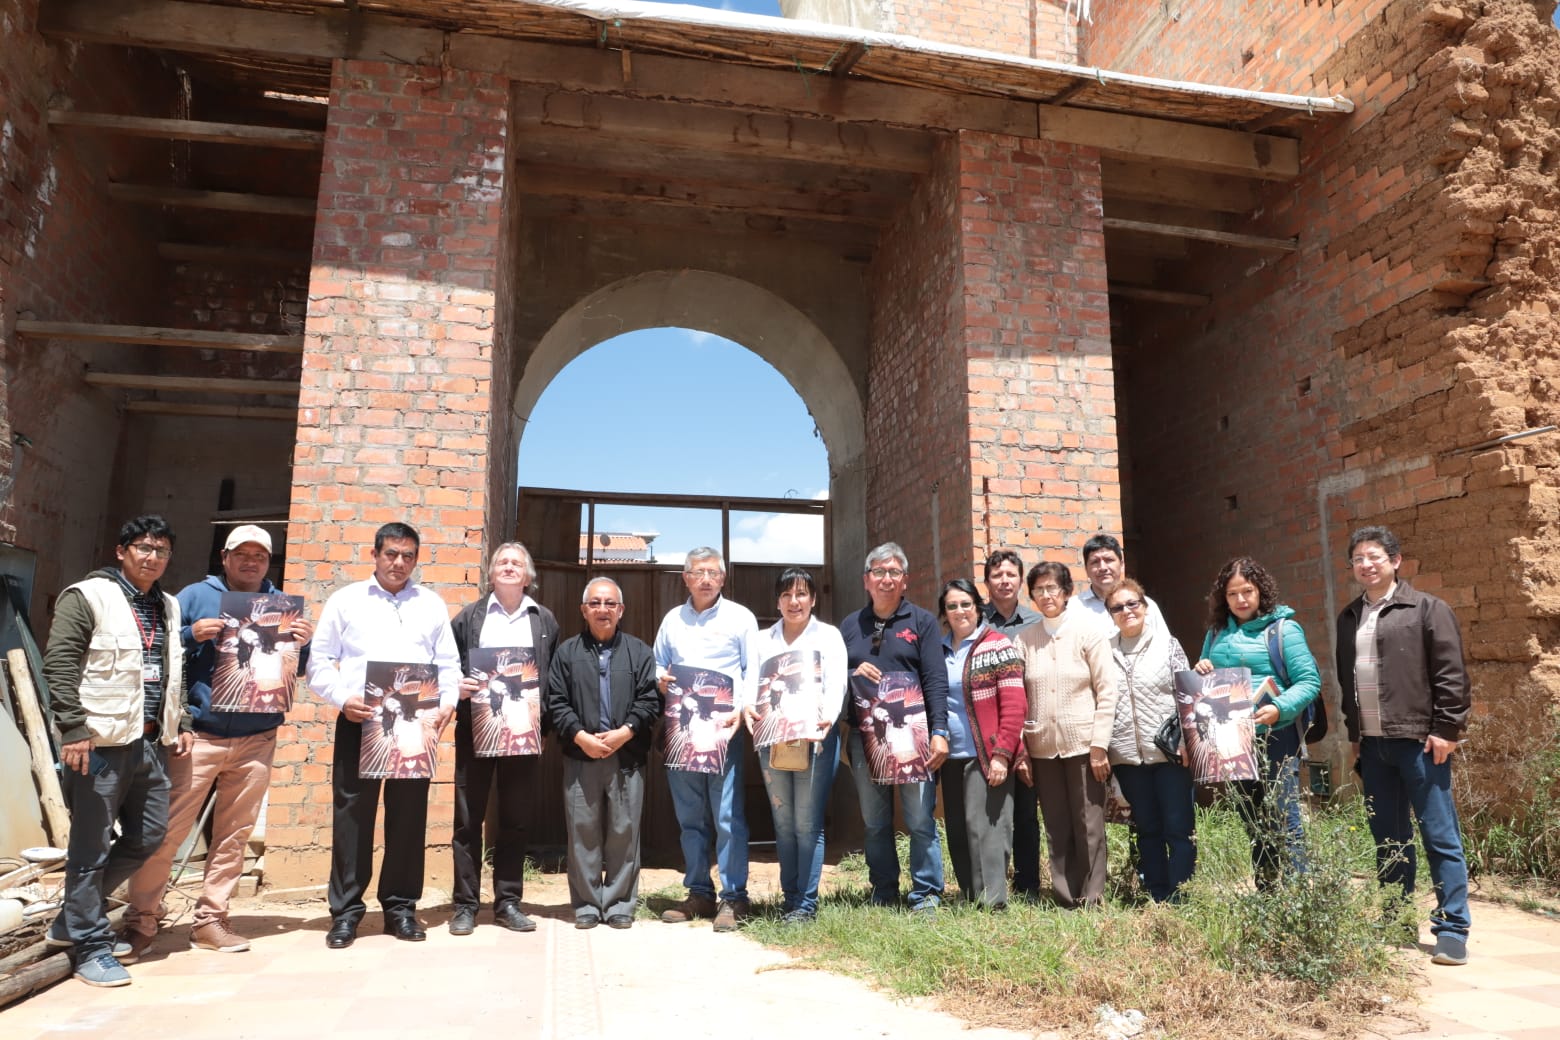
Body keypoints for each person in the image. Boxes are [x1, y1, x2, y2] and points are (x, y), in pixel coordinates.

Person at [123, 524, 312, 958]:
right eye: (241, 554)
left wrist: (302, 645)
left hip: (257, 736)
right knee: (167, 831)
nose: (251, 562)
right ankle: (141, 919)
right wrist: (191, 635)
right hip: (199, 736)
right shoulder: (194, 597)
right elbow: (153, 649)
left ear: (269, 562)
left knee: (234, 834)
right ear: (224, 557)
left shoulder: (282, 606)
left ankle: (211, 919)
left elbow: (295, 670)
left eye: (259, 556)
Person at [42, 515, 193, 987]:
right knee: (89, 848)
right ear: (121, 551)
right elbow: (59, 663)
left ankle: (72, 917)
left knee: (149, 835)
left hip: (148, 742)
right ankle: (90, 947)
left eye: (162, 550)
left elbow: (173, 668)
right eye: (144, 548)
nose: (153, 557)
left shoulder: (167, 604)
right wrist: (73, 729)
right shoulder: (88, 597)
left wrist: (183, 719)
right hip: (99, 744)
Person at [306, 522, 460, 949]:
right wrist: (342, 698)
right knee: (352, 816)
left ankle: (400, 908)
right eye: (391, 554)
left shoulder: (430, 604)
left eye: (408, 556)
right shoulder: (347, 601)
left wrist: (447, 702)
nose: (399, 563)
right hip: (360, 721)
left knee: (408, 815)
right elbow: (319, 661)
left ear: (416, 560)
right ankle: (346, 913)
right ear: (374, 555)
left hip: (415, 725)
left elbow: (449, 663)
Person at [1336, 526, 1472, 966]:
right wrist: (1356, 736)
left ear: (1395, 561)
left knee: (1439, 835)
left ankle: (1452, 929)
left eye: (1374, 556)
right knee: (1388, 837)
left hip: (1419, 742)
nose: (1366, 564)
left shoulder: (1427, 609)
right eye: (1358, 558)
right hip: (1374, 746)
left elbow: (1451, 674)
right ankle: (1395, 921)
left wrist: (1446, 729)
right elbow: (1348, 684)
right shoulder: (1349, 616)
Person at [447, 542, 559, 936]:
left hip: (522, 735)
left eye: (516, 563)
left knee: (515, 820)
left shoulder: (543, 620)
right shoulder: (469, 617)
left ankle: (508, 902)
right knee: (467, 820)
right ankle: (465, 905)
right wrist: (456, 687)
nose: (509, 567)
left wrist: (542, 726)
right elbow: (447, 665)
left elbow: (548, 677)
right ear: (491, 573)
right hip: (475, 731)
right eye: (502, 562)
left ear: (527, 576)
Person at [1193, 556, 1320, 891]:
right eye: (1232, 594)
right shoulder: (1216, 633)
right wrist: (1202, 668)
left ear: (1260, 590)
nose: (1241, 599)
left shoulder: (1284, 629)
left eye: (1247, 591)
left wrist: (1279, 708)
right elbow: (1207, 680)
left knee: (1285, 814)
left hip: (1277, 734)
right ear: (1224, 598)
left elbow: (1309, 681)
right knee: (1252, 817)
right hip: (1233, 737)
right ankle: (1267, 891)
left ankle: (1297, 893)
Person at [545, 577, 661, 929]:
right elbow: (556, 701)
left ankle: (620, 904)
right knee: (582, 831)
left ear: (621, 610)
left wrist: (625, 733)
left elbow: (649, 700)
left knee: (624, 831)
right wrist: (581, 737)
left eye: (610, 603)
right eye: (595, 603)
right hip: (581, 755)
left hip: (626, 755)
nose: (602, 609)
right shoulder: (567, 653)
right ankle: (586, 905)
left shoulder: (639, 652)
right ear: (584, 610)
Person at [841, 542, 949, 913]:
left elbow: (935, 679)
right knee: (875, 821)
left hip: (913, 737)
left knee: (919, 818)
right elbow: (834, 677)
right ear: (866, 580)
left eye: (894, 572)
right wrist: (852, 672)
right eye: (879, 572)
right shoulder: (850, 626)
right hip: (865, 737)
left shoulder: (922, 622)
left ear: (905, 580)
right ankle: (884, 891)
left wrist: (939, 731)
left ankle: (926, 894)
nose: (886, 579)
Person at [653, 548, 757, 932]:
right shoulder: (672, 620)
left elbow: (753, 669)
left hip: (723, 732)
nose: (706, 579)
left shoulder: (740, 618)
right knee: (690, 817)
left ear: (723, 578)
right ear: (686, 578)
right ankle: (699, 893)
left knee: (727, 816)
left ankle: (734, 898)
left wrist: (742, 710)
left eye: (713, 572)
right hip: (683, 730)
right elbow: (657, 663)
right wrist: (660, 678)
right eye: (699, 572)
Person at [743, 567, 847, 924]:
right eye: (786, 594)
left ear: (813, 599)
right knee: (783, 822)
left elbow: (836, 684)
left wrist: (828, 718)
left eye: (801, 594)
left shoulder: (829, 636)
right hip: (772, 741)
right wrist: (747, 705)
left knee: (807, 823)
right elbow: (750, 681)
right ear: (777, 601)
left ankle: (806, 904)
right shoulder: (762, 640)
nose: (794, 601)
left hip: (815, 741)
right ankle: (790, 899)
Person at [1015, 561, 1117, 908]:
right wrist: (1022, 748)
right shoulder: (1025, 640)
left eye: (1052, 588)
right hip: (1042, 747)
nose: (1046, 595)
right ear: (1032, 596)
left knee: (1089, 823)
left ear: (1067, 592)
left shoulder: (1088, 633)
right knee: (1056, 825)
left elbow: (1107, 691)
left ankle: (1093, 896)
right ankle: (1065, 896)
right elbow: (1017, 698)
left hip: (1084, 745)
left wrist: (1099, 745)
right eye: (1039, 590)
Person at [1104, 578, 1196, 902]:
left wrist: (1186, 740)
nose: (1126, 611)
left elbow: (1187, 695)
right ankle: (1156, 896)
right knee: (1146, 830)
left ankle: (1180, 895)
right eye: (1118, 607)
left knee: (1178, 828)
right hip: (1126, 757)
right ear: (1111, 614)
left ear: (1145, 607)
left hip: (1170, 754)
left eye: (1133, 604)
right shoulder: (1104, 651)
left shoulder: (1167, 645)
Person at [938, 579, 1026, 909]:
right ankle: (970, 897)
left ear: (977, 607)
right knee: (958, 830)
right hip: (949, 756)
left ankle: (994, 903)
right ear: (944, 612)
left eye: (966, 604)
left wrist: (1002, 754)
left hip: (985, 754)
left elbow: (1015, 705)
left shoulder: (998, 645)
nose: (959, 611)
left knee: (988, 830)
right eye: (952, 606)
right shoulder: (938, 650)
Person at [1067, 534, 1165, 635]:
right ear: (1086, 569)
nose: (1103, 567)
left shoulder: (1145, 605)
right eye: (1095, 562)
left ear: (1122, 565)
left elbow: (1165, 642)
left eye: (1109, 560)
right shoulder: (1072, 608)